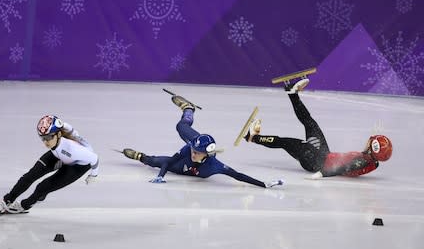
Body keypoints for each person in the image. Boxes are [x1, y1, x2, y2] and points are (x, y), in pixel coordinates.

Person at [121, 94, 283, 188]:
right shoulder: (189, 149)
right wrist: (161, 176)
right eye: (193, 150)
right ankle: (188, 109)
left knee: (153, 160)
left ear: (206, 154)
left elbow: (238, 176)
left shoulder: (216, 166)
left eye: (197, 153)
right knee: (180, 126)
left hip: (182, 169)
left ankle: (140, 156)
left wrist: (264, 184)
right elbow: (170, 161)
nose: (193, 153)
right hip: (189, 149)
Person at [243, 78, 393, 178]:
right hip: (323, 154)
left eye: (371, 141)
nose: (369, 140)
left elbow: (341, 168)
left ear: (371, 149)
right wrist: (376, 135)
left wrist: (321, 174)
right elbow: (360, 161)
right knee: (310, 123)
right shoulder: (372, 160)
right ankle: (292, 93)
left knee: (286, 142)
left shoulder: (362, 162)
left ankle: (251, 137)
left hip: (314, 161)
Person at [0, 115, 99, 214]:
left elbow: (94, 158)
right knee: (30, 176)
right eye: (42, 138)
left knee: (43, 187)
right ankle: (7, 200)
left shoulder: (73, 149)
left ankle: (24, 205)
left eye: (49, 137)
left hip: (78, 165)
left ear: (58, 134)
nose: (45, 142)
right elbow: (65, 126)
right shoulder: (58, 136)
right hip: (59, 155)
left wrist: (93, 175)